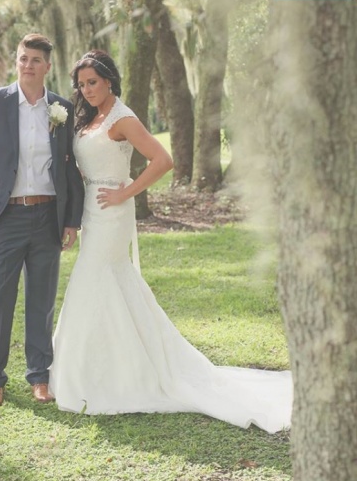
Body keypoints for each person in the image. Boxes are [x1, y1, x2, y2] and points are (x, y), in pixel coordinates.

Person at [48, 49, 292, 433]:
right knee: (106, 281)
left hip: (113, 209)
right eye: (81, 85)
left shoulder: (122, 117)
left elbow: (163, 160)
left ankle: (113, 376)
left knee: (96, 277)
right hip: (92, 210)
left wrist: (125, 194)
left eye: (92, 82)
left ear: (109, 79)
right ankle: (109, 366)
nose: (87, 90)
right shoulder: (91, 118)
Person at [0, 33, 84, 407]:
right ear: (16, 62)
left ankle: (39, 377)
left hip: (48, 215)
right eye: (23, 58)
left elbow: (70, 170)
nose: (28, 65)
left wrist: (71, 220)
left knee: (42, 300)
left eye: (35, 59)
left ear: (48, 66)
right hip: (5, 216)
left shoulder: (60, 109)